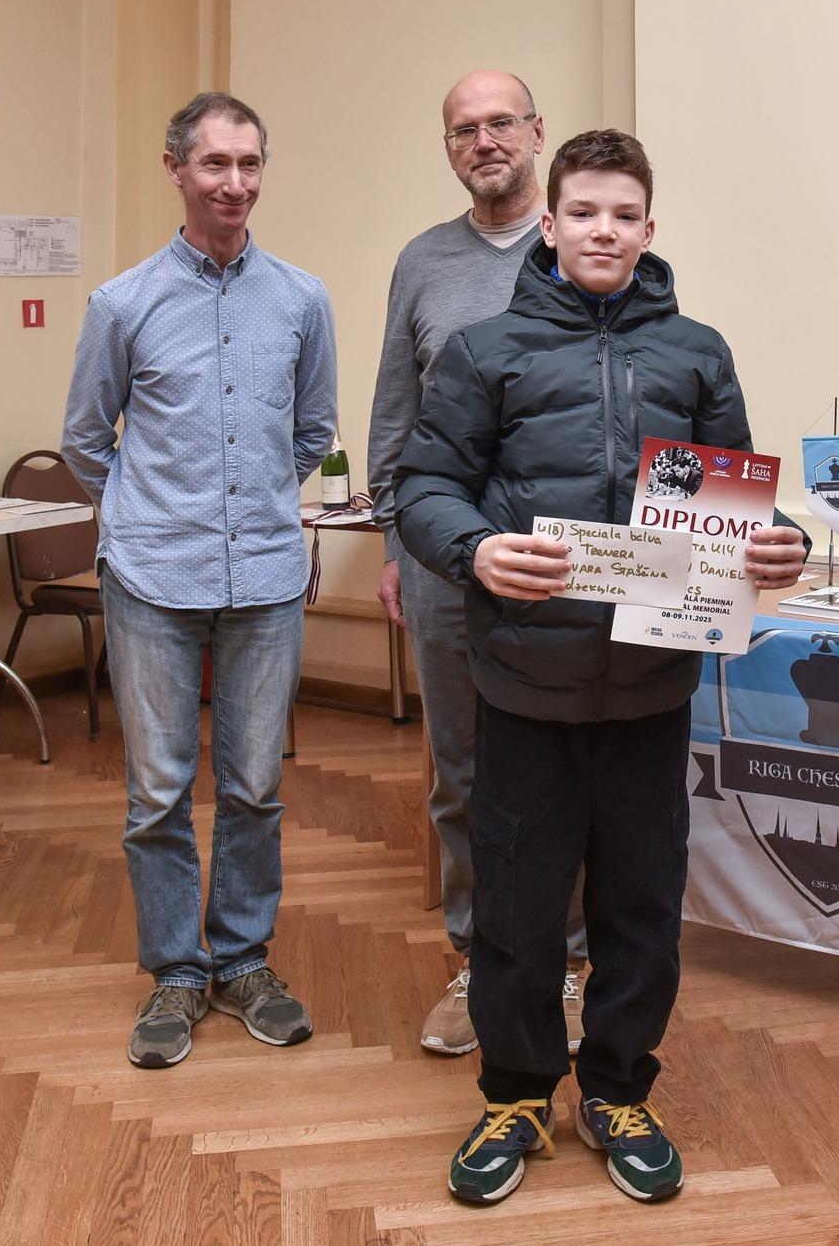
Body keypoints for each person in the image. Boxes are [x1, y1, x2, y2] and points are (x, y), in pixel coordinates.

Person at [394, 129, 809, 1205]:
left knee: (640, 904)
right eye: (583, 213)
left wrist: (780, 546)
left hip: (649, 689)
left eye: (624, 215)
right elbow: (423, 487)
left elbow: (739, 510)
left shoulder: (698, 354)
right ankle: (515, 1094)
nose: (603, 231)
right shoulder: (485, 352)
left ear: (649, 229)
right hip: (522, 683)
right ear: (550, 223)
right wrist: (474, 548)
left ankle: (619, 1089)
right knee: (518, 908)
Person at [63, 91, 338, 1069]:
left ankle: (244, 963)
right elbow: (84, 440)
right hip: (150, 581)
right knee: (157, 792)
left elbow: (312, 431)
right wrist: (147, 516)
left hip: (265, 579)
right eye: (215, 163)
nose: (234, 183)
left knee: (255, 788)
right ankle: (177, 973)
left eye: (249, 164)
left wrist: (249, 505)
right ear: (176, 168)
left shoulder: (302, 300)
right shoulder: (122, 304)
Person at [366, 70, 590, 1057]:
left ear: (537, 133)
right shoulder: (421, 263)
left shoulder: (581, 244)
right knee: (461, 777)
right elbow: (394, 421)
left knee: (561, 771)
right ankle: (479, 960)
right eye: (465, 128)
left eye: (502, 122)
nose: (484, 140)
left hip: (564, 573)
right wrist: (395, 545)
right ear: (449, 147)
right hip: (445, 572)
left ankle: (568, 964)